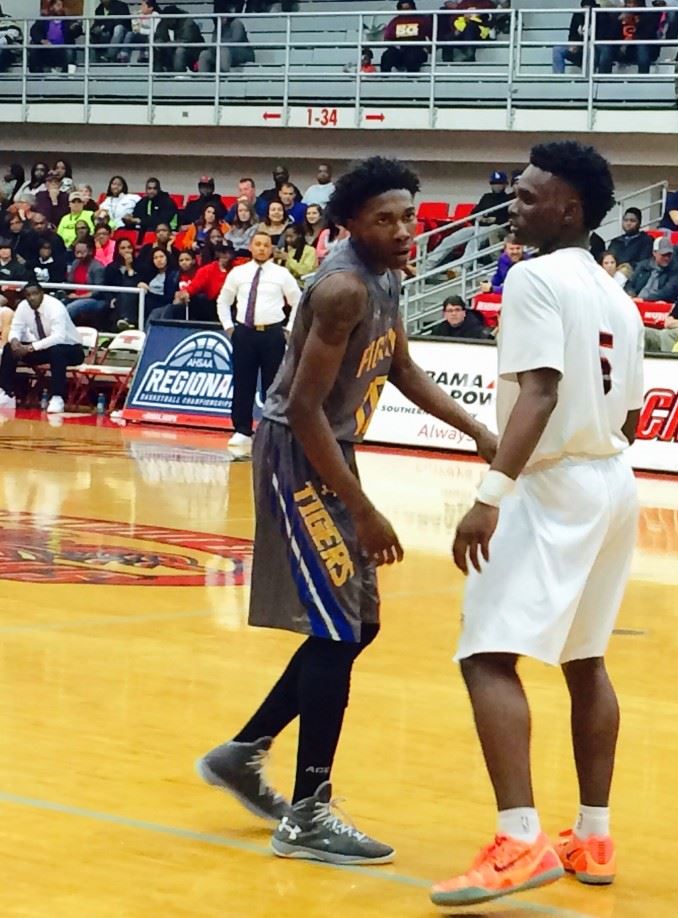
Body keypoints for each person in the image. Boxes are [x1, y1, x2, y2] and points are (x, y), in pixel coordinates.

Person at [197, 156, 496, 869]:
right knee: (335, 631)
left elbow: (402, 366)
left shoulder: (388, 274)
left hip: (330, 451)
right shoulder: (339, 288)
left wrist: (476, 429)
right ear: (351, 226)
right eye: (385, 219)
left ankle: (242, 754)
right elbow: (301, 409)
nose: (404, 230)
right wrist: (362, 509)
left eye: (408, 215)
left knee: (357, 626)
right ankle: (308, 810)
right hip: (298, 454)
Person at [431, 140, 643, 908]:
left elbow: (540, 394)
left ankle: (519, 841)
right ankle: (592, 834)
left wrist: (491, 493)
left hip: (553, 486)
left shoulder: (531, 279)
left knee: (486, 655)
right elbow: (637, 415)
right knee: (584, 660)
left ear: (571, 209)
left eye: (528, 196)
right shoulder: (617, 294)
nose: (513, 206)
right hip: (614, 479)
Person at [213, 231, 300, 449]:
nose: (262, 248)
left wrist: (289, 329)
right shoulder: (238, 273)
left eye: (266, 245)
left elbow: (298, 302)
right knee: (243, 382)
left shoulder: (282, 274)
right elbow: (223, 301)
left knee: (273, 385)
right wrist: (229, 327)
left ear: (271, 249)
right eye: (258, 244)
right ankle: (242, 429)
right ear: (251, 247)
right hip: (244, 333)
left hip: (272, 334)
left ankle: (271, 431)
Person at [0, 283, 84, 414]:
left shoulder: (56, 307)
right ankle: (6, 392)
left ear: (42, 294)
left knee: (58, 350)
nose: (32, 298)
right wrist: (15, 340)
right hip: (43, 347)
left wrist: (31, 347)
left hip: (72, 349)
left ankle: (57, 397)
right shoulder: (23, 307)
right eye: (28, 295)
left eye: (35, 294)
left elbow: (59, 337)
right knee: (9, 348)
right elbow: (16, 328)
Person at [625, 235, 678, 303]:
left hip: (658, 303)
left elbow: (668, 291)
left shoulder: (676, 269)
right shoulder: (643, 266)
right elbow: (629, 284)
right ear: (654, 253)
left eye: (669, 255)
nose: (667, 258)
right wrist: (631, 294)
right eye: (663, 254)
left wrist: (645, 300)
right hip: (637, 300)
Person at [29, 0, 82, 74]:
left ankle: (67, 75)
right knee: (34, 48)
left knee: (69, 51)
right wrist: (42, 40)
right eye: (58, 5)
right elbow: (34, 31)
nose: (61, 8)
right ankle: (36, 75)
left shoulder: (68, 20)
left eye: (62, 6)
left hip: (63, 48)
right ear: (51, 7)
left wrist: (75, 28)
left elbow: (78, 32)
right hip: (46, 48)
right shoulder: (43, 20)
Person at [381, 0, 432, 73]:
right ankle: (384, 79)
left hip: (417, 49)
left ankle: (412, 80)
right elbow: (387, 38)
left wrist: (428, 48)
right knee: (387, 56)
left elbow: (430, 35)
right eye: (403, 9)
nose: (406, 11)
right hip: (399, 50)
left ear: (413, 8)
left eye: (408, 9)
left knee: (412, 56)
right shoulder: (395, 21)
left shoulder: (422, 20)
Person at [65, 239, 108, 326]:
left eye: (82, 252)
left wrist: (79, 297)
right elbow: (70, 282)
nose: (79, 255)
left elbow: (98, 291)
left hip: (94, 300)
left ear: (90, 251)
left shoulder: (98, 267)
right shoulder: (75, 263)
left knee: (71, 308)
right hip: (74, 296)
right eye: (77, 252)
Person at [552, 0, 597, 74]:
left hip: (593, 49)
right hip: (579, 48)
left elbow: (601, 36)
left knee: (590, 48)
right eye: (584, 9)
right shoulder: (577, 16)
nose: (586, 12)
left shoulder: (600, 16)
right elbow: (572, 33)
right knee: (557, 49)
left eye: (589, 9)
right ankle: (558, 78)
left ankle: (589, 79)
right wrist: (573, 44)